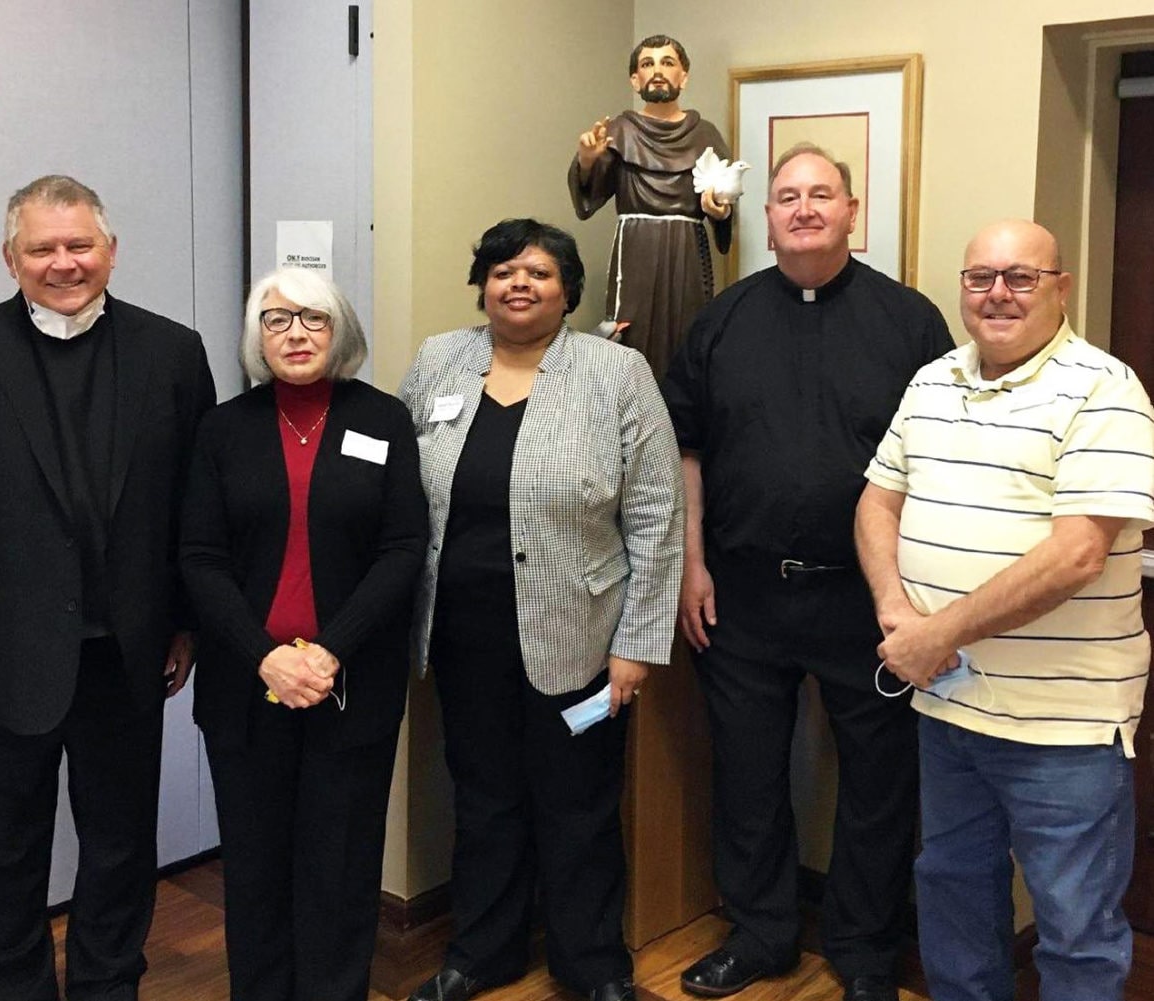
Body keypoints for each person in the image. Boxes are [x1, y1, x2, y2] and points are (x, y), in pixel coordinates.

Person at [0, 175, 215, 1001]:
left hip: (127, 656)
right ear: (11, 259)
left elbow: (197, 504)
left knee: (121, 848)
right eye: (42, 248)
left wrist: (185, 622)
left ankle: (107, 987)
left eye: (79, 244)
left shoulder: (173, 351)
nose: (64, 262)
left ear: (110, 250)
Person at [661, 144, 954, 1001]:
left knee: (878, 781)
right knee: (748, 772)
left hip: (869, 599)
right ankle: (761, 932)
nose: (802, 208)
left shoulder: (911, 321)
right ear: (767, 217)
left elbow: (938, 461)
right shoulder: (722, 320)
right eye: (786, 196)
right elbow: (687, 448)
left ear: (852, 211)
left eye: (820, 194)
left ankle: (864, 951)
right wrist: (691, 564)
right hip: (742, 592)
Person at [855, 219, 1154, 1001]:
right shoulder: (931, 380)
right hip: (951, 710)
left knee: (1076, 928)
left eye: (1021, 277)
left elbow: (1078, 554)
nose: (997, 293)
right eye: (980, 276)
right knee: (954, 899)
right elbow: (876, 501)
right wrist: (897, 613)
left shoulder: (1105, 388)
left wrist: (938, 633)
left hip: (1064, 729)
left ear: (1061, 288)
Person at [399, 219, 683, 1001]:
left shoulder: (616, 372)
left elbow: (658, 514)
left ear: (568, 290)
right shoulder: (437, 360)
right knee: (483, 797)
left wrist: (636, 645)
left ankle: (591, 962)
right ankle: (480, 953)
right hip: (462, 635)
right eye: (501, 271)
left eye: (539, 273)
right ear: (481, 283)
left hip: (581, 639)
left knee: (579, 803)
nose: (518, 284)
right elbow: (398, 486)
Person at [179, 266, 428, 1001]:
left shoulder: (382, 419)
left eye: (314, 318)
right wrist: (268, 659)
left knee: (340, 867)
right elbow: (199, 556)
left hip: (350, 685)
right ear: (257, 336)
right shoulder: (224, 428)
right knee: (254, 868)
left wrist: (326, 651)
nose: (296, 333)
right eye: (278, 319)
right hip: (245, 689)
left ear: (340, 330)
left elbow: (403, 549)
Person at [569, 33, 733, 380]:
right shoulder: (617, 131)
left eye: (667, 62)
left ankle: (683, 427)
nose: (657, 71)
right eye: (647, 64)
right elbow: (589, 199)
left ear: (683, 76)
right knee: (629, 336)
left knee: (688, 333)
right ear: (635, 79)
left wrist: (720, 212)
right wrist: (587, 162)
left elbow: (723, 198)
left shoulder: (705, 134)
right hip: (636, 249)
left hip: (687, 249)